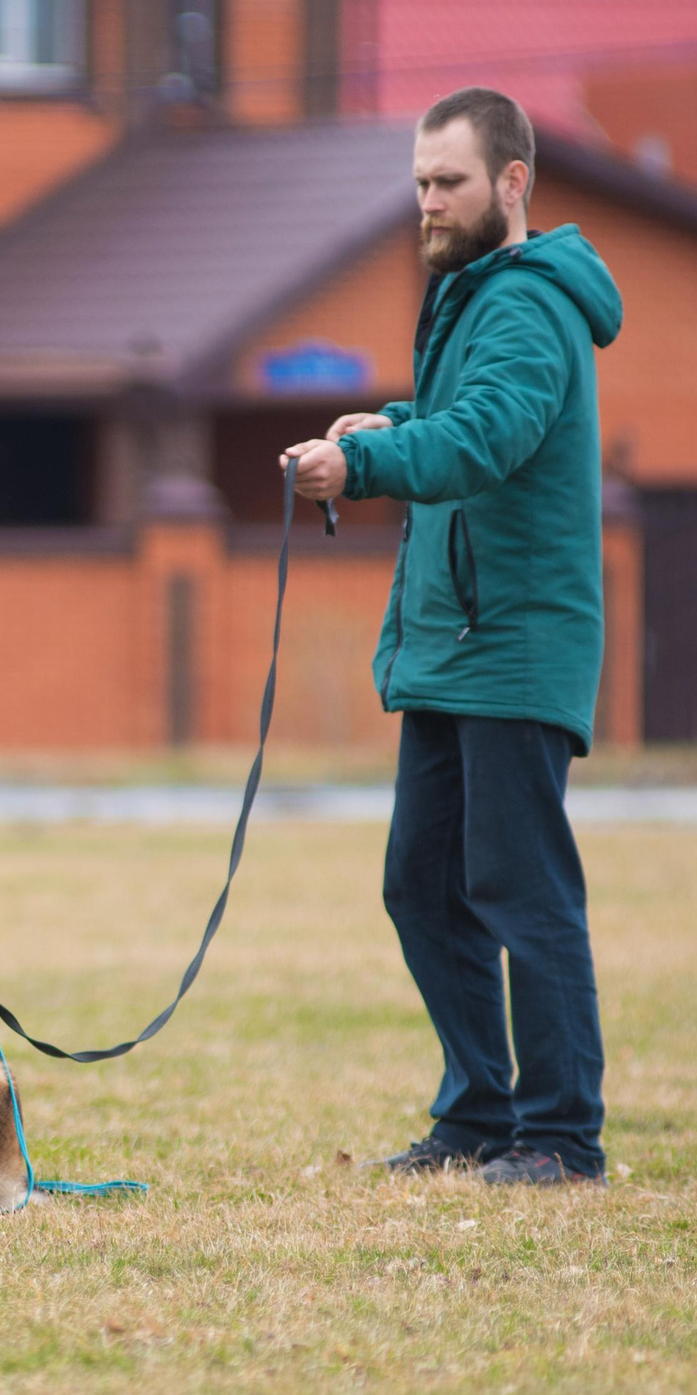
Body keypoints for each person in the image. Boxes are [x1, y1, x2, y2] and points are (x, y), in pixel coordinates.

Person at [282, 87, 623, 1186]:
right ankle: (479, 1112)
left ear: (511, 183)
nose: (427, 201)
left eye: (449, 182)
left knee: (522, 891)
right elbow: (456, 422)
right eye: (420, 182)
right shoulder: (470, 296)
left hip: (514, 645)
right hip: (453, 643)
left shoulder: (527, 306)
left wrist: (365, 463)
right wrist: (392, 424)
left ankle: (561, 1135)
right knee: (423, 885)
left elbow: (486, 438)